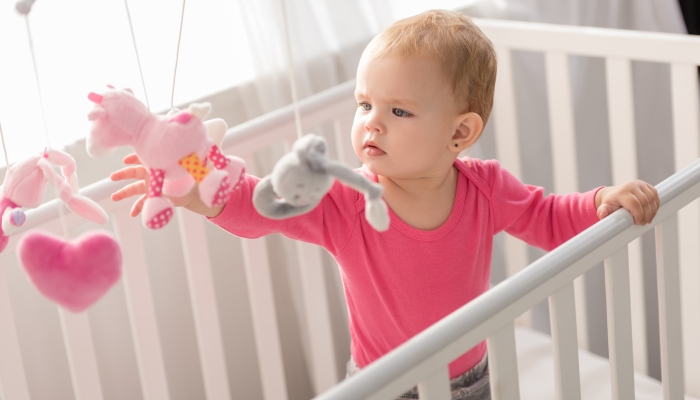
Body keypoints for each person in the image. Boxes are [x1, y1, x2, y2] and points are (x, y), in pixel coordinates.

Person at [109, 9, 659, 399]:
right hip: (382, 384)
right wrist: (196, 185)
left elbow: (546, 215)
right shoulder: (345, 199)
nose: (371, 120)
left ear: (460, 133)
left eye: (399, 111)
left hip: (469, 381)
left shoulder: (485, 188)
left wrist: (600, 202)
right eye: (365, 103)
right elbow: (259, 206)